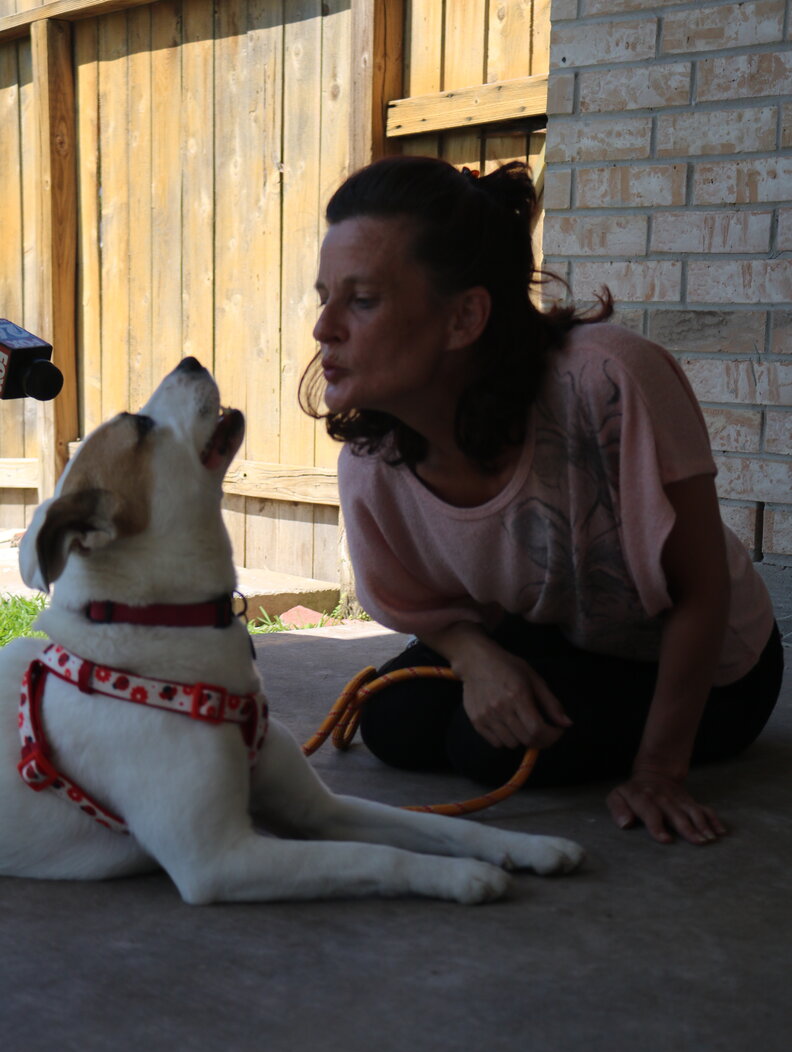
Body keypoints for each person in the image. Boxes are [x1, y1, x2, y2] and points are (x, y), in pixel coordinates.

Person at [299, 156, 783, 846]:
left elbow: (701, 592)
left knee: (485, 745)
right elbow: (426, 612)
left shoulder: (610, 384)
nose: (324, 329)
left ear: (465, 315)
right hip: (564, 631)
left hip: (715, 666)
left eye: (363, 300)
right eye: (325, 297)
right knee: (396, 720)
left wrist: (658, 770)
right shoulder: (372, 466)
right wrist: (476, 658)